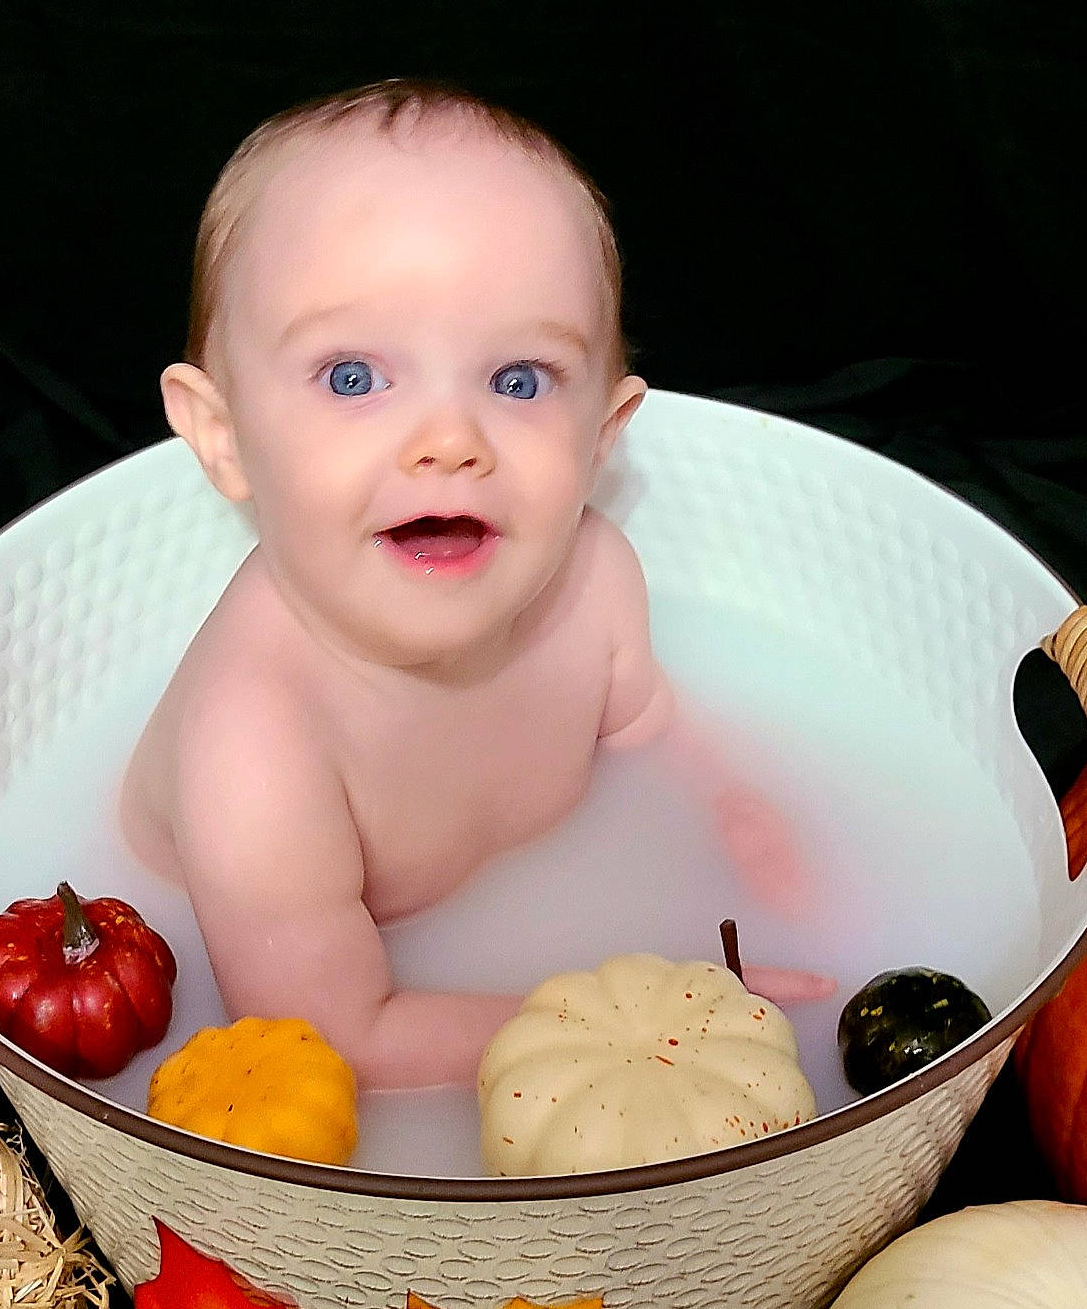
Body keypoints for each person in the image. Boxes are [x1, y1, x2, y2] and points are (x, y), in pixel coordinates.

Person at [124, 78, 829, 1090]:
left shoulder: (594, 582)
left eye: (517, 381)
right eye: (353, 378)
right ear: (223, 437)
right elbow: (334, 1042)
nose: (449, 441)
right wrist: (637, 1026)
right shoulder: (256, 737)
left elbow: (648, 733)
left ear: (601, 436)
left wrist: (738, 806)